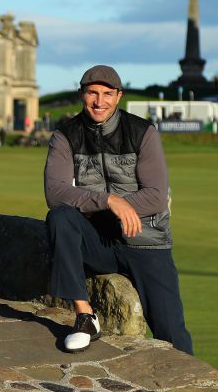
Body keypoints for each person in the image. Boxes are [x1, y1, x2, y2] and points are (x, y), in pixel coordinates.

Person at [44, 65, 193, 355]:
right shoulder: (65, 136)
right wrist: (109, 200)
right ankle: (85, 317)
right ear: (82, 94)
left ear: (119, 96)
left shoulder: (142, 132)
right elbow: (55, 193)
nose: (100, 102)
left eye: (107, 94)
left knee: (172, 332)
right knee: (60, 217)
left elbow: (156, 197)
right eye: (93, 93)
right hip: (98, 242)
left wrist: (117, 203)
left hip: (146, 242)